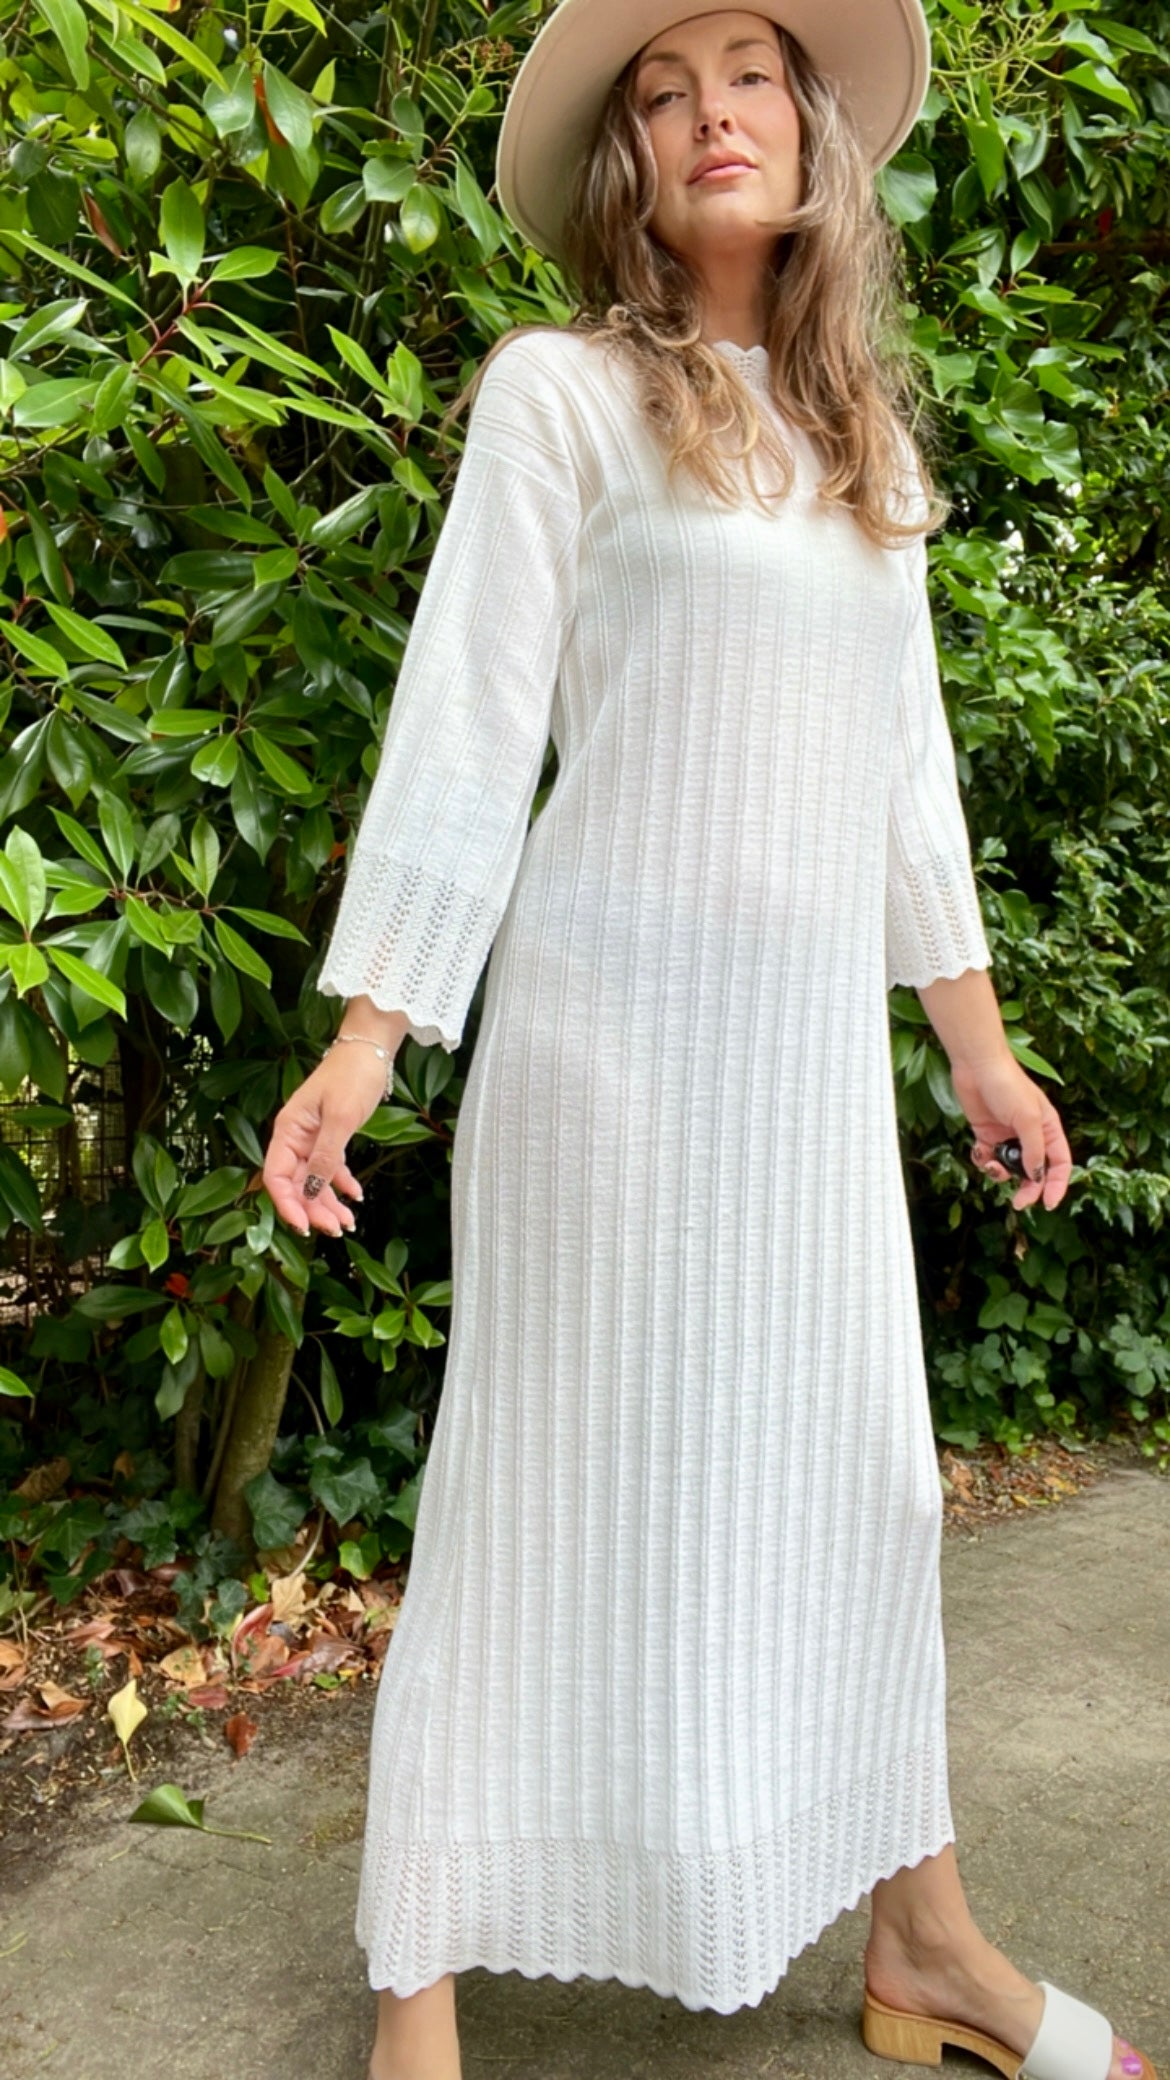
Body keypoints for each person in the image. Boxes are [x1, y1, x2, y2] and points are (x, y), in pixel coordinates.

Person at [262, 4, 1155, 2079]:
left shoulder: (868, 440)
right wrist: (370, 1038)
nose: (705, 115)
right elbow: (470, 730)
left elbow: (905, 771)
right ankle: (416, 2003)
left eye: (744, 73)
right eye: (659, 96)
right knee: (535, 1497)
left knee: (867, 1489)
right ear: (629, 166)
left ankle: (925, 1939)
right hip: (605, 1062)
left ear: (810, 127)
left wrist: (980, 1046)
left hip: (804, 1077)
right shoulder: (559, 394)